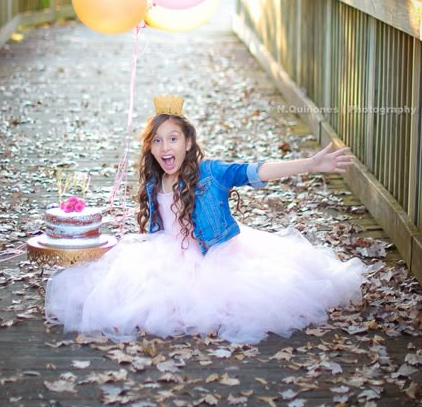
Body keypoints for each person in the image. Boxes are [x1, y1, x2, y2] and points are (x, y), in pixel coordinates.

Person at [45, 95, 365, 344]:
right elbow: (160, 227)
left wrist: (309, 163)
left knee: (232, 300)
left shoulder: (210, 173)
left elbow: (253, 171)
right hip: (166, 254)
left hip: (216, 256)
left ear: (187, 143)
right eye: (157, 140)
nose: (164, 146)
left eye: (172, 138)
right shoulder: (154, 182)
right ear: (150, 148)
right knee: (133, 296)